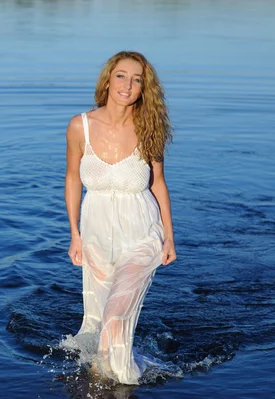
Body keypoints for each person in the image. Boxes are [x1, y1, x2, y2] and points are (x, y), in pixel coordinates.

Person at [64, 51, 177, 385]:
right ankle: (103, 374)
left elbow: (157, 183)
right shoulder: (79, 126)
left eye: (137, 79)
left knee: (114, 316)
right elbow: (72, 177)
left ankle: (126, 382)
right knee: (98, 319)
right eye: (121, 76)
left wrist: (169, 237)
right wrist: (74, 233)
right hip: (96, 231)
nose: (128, 85)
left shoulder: (148, 126)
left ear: (144, 88)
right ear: (108, 79)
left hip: (142, 232)